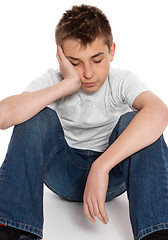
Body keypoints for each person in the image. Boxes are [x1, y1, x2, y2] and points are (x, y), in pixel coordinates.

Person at [0, 4, 168, 240]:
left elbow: (159, 112)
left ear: (112, 52)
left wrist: (101, 166)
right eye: (75, 63)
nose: (87, 73)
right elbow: (3, 115)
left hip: (112, 175)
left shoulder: (121, 81)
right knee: (36, 117)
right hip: (63, 174)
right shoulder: (54, 80)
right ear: (61, 58)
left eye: (97, 60)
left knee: (139, 121)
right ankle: (13, 229)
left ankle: (158, 231)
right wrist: (66, 85)